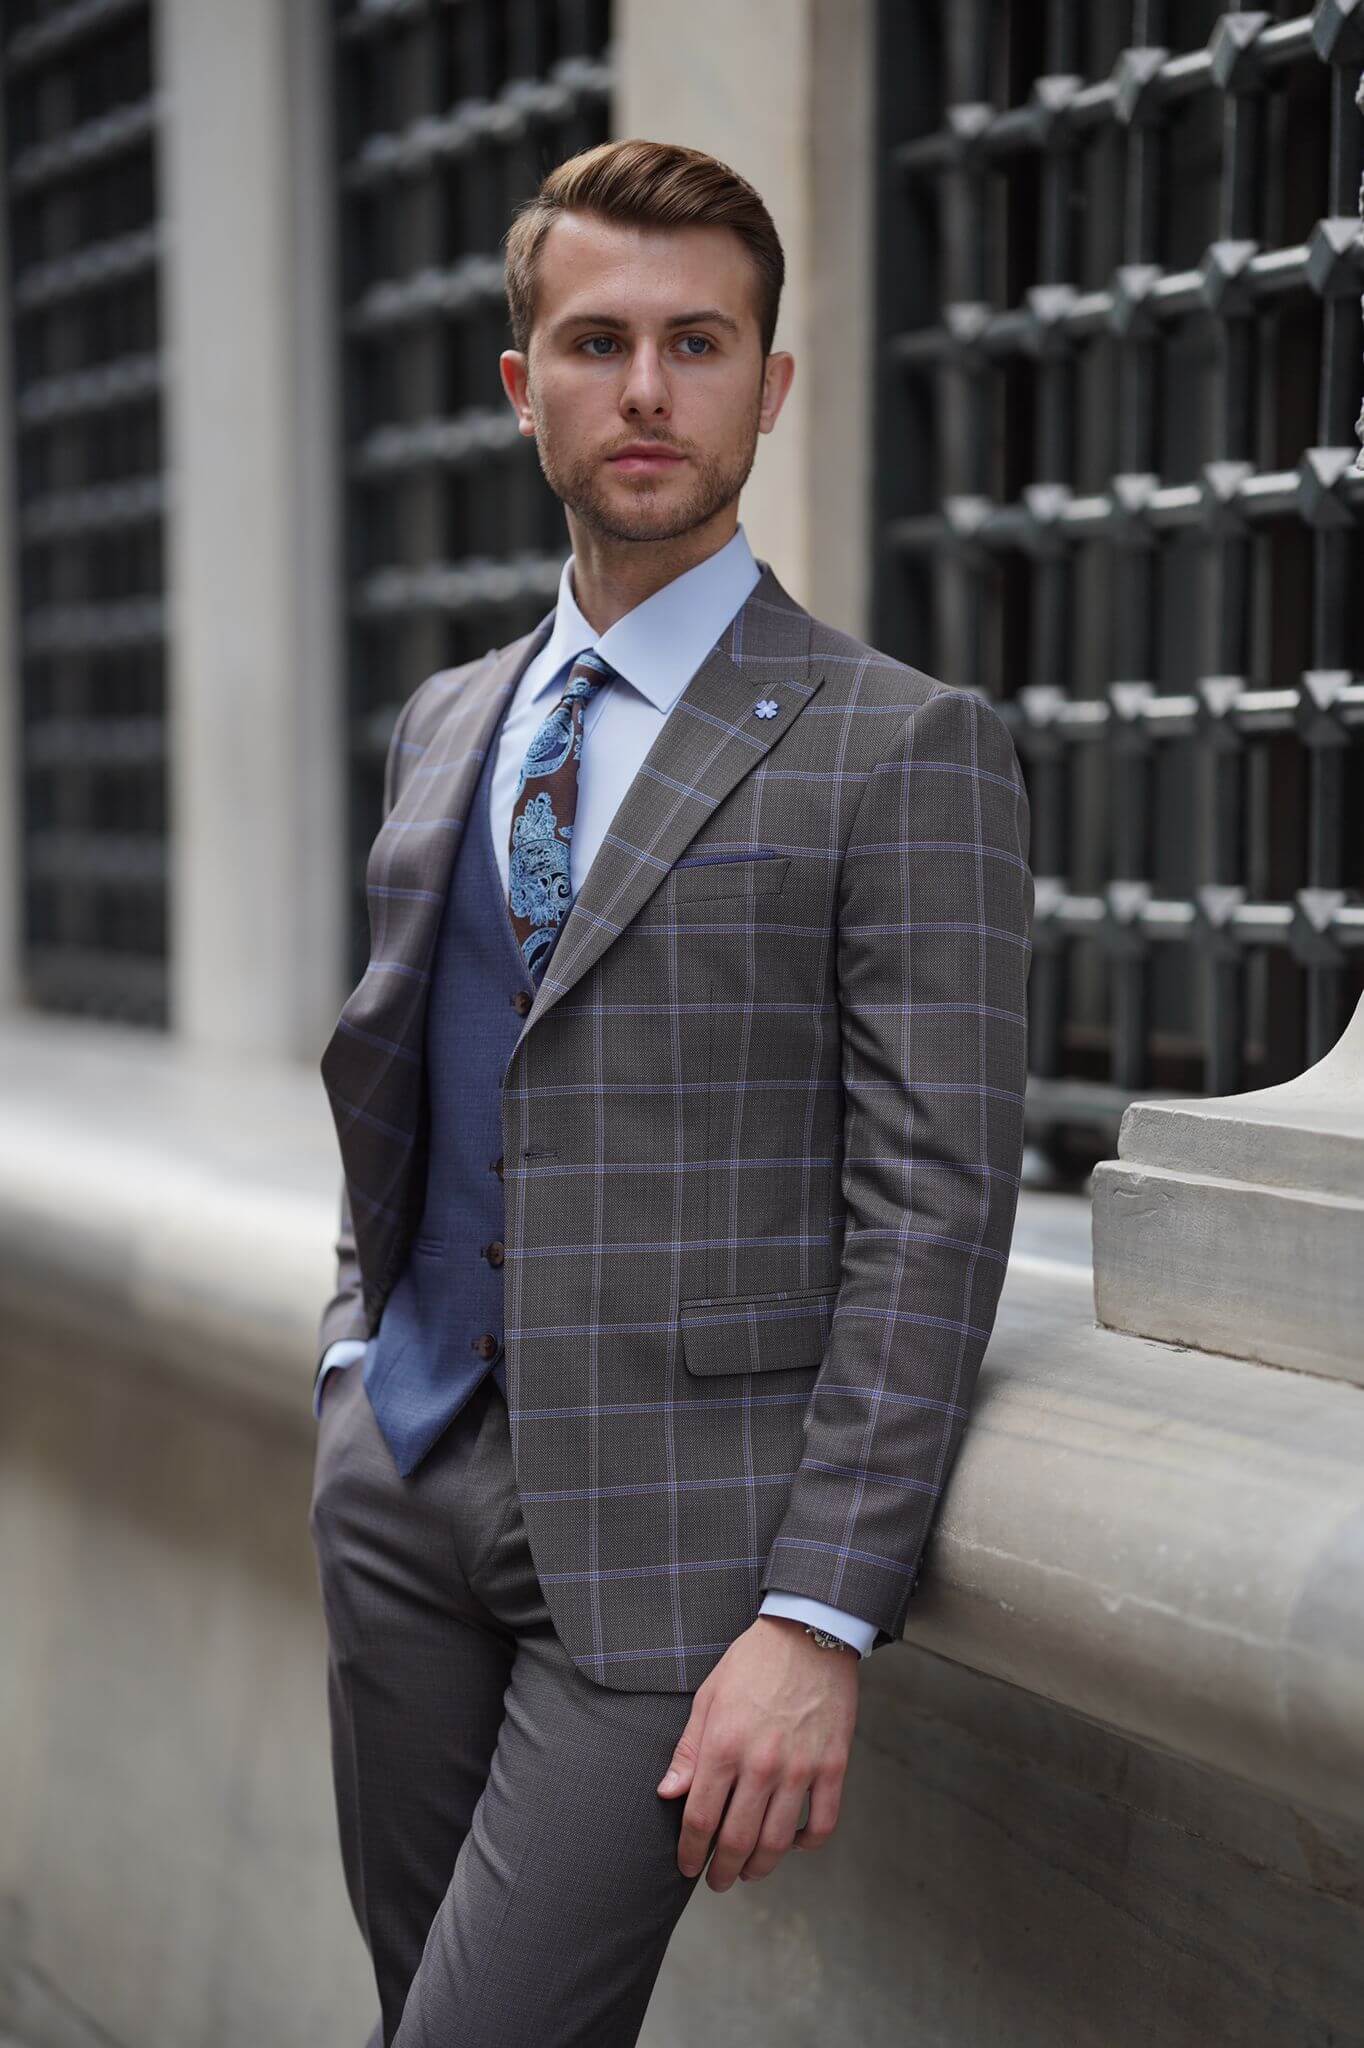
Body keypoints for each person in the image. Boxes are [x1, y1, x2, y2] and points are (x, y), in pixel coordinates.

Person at [308, 137, 1033, 2047]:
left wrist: (820, 1615)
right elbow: (407, 1068)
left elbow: (938, 1203)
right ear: (522, 383)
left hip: (671, 1553)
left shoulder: (903, 748)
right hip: (405, 1485)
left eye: (699, 343)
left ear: (770, 387)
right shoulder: (450, 722)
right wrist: (351, 1378)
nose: (648, 390)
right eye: (599, 339)